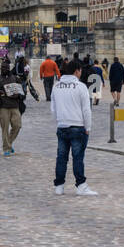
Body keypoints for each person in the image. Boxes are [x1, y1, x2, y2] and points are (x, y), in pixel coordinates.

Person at [50, 60, 97, 195]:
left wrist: (59, 121)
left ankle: (59, 186)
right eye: (80, 70)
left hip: (62, 125)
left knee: (61, 157)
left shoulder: (56, 86)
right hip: (77, 125)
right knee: (77, 158)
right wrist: (88, 127)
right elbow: (86, 110)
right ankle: (81, 185)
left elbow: (53, 109)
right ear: (77, 71)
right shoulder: (81, 86)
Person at [0, 60, 26, 156]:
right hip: (2, 107)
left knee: (17, 125)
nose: (3, 69)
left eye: (5, 68)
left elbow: (22, 93)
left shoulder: (15, 78)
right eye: (2, 68)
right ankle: (6, 148)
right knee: (4, 128)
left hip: (14, 106)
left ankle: (8, 143)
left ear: (9, 68)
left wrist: (18, 95)